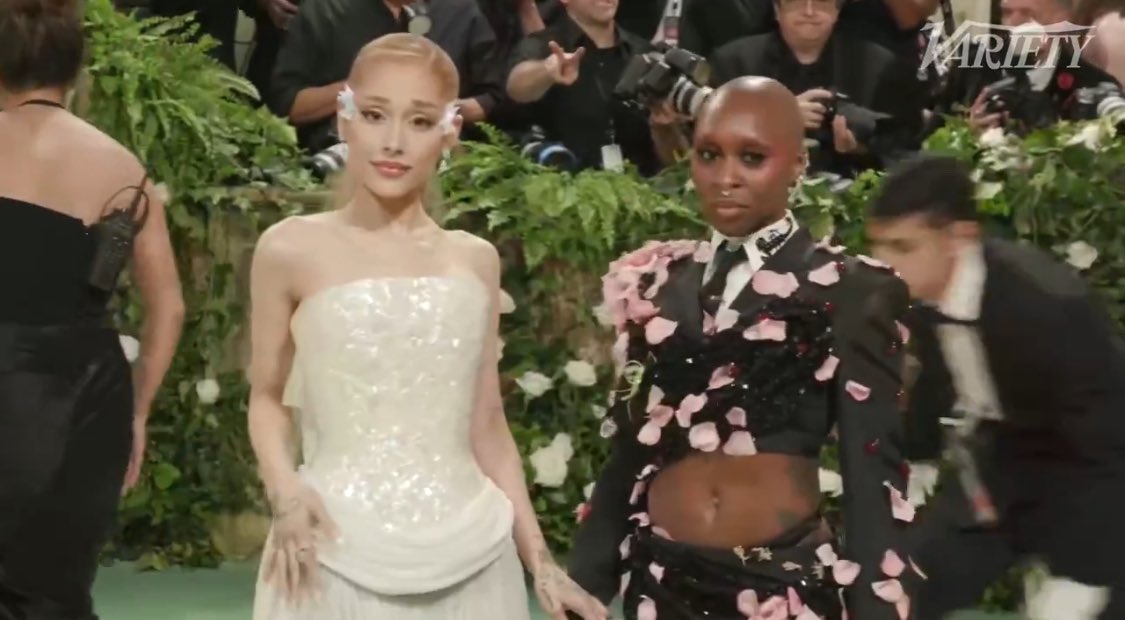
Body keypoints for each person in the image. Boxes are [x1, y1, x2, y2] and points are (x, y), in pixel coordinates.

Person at [246, 33, 606, 620]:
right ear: (344, 120)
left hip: (474, 552)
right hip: (331, 548)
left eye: (418, 121)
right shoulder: (289, 248)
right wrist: (285, 493)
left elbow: (488, 424)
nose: (392, 142)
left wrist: (540, 562)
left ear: (449, 132)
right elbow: (265, 398)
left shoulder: (474, 260)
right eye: (373, 115)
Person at [567, 75, 920, 620]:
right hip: (658, 583)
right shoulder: (657, 282)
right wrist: (585, 584)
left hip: (779, 586)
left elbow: (871, 470)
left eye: (752, 157)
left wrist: (876, 606)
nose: (726, 177)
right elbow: (631, 452)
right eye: (709, 154)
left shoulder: (852, 291)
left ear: (799, 165)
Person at [866, 154, 1125, 620]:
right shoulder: (919, 293)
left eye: (903, 247)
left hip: (1090, 468)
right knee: (910, 585)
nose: (885, 264)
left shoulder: (1047, 307)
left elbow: (1104, 444)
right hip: (1002, 458)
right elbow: (935, 380)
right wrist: (917, 461)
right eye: (880, 246)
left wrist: (1086, 571)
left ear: (958, 237)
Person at [0, 0, 185, 617]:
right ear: (76, 68)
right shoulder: (122, 168)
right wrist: (137, 409)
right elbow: (169, 308)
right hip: (85, 392)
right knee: (55, 587)